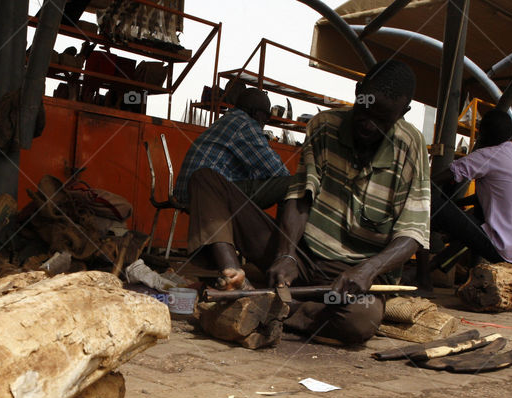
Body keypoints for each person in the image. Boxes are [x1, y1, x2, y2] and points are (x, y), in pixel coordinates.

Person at [188, 60, 429, 344]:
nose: (368, 124)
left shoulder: (411, 146)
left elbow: (412, 233)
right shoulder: (324, 126)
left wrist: (369, 269)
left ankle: (270, 307)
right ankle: (236, 281)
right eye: (364, 109)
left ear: (403, 112)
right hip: (301, 259)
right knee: (206, 180)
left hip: (352, 279)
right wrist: (287, 253)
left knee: (360, 322)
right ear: (358, 90)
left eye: (382, 118)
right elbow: (300, 195)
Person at [175, 87, 293, 290]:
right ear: (259, 114)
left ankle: (254, 258)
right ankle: (283, 250)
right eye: (265, 118)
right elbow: (277, 172)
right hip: (206, 191)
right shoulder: (244, 125)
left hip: (190, 192)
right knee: (292, 184)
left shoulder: (228, 121)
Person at [429, 109, 512, 270]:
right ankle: (442, 264)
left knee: (431, 203)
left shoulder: (487, 155)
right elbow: (503, 196)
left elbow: (440, 178)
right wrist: (458, 205)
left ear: (482, 134)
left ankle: (423, 275)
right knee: (477, 216)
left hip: (506, 252)